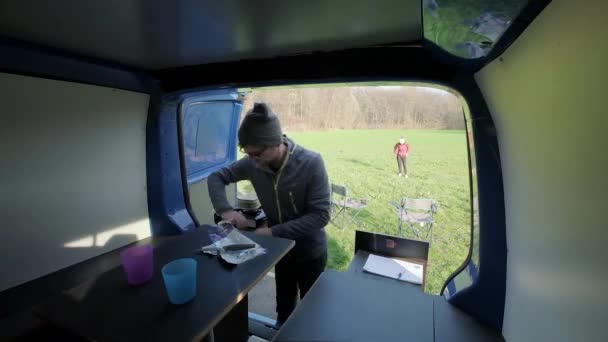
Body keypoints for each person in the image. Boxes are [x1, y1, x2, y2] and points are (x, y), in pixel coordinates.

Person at [207, 102, 330, 324]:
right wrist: (225, 210)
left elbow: (321, 215)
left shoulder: (311, 163)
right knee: (283, 309)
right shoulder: (252, 162)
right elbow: (216, 178)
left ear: (274, 143)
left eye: (256, 153)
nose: (251, 160)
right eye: (247, 152)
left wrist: (273, 232)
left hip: (310, 253)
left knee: (313, 314)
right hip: (280, 252)